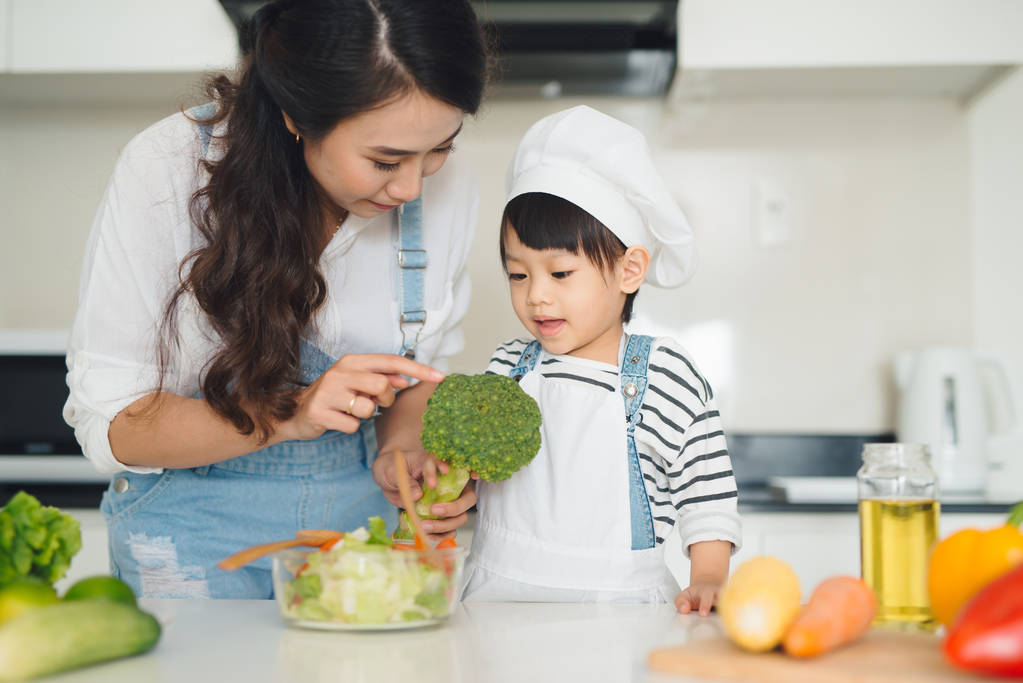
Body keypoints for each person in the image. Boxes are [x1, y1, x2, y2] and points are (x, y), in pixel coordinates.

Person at [62, 0, 488, 599]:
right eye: (384, 160)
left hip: (355, 543)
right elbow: (115, 428)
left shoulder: (447, 191)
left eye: (441, 147)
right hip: (188, 557)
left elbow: (417, 373)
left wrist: (403, 450)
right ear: (297, 115)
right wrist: (292, 413)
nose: (414, 186)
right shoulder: (168, 169)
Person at [461, 106, 742, 611]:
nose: (536, 297)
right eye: (518, 275)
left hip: (620, 608)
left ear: (629, 269)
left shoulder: (663, 377)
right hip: (493, 600)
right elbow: (470, 469)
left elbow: (707, 495)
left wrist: (709, 576)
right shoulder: (507, 367)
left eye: (560, 274)